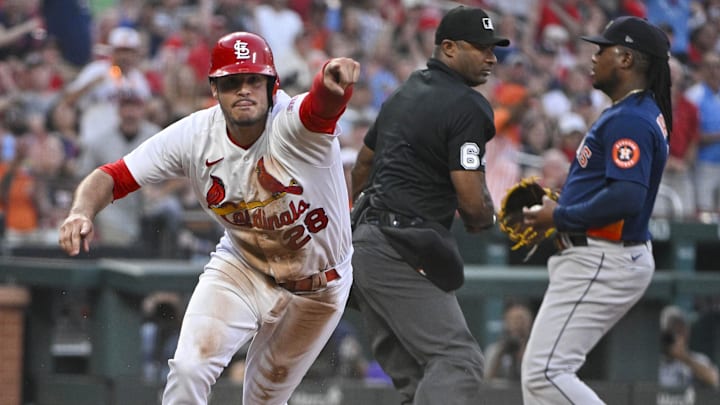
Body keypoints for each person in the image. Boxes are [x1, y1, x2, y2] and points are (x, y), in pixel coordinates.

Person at [58, 31, 359, 404]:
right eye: (232, 82)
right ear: (215, 89)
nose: (244, 90)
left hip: (318, 286)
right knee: (188, 369)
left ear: (272, 86)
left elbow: (320, 108)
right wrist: (81, 212)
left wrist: (332, 85)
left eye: (254, 80)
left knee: (263, 398)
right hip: (244, 265)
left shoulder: (293, 124)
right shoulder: (195, 135)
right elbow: (113, 176)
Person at [350, 6, 503, 404]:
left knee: (418, 382)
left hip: (365, 246)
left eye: (494, 48)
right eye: (481, 48)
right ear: (448, 48)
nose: (491, 57)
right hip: (400, 246)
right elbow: (471, 201)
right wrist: (486, 215)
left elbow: (363, 164)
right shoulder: (468, 104)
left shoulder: (404, 92)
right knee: (459, 361)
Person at [520, 16, 673, 404]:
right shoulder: (630, 110)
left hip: (604, 257)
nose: (593, 57)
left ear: (625, 59)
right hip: (600, 255)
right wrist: (564, 203)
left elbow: (626, 197)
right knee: (541, 378)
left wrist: (559, 215)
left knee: (545, 374)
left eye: (602, 50)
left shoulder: (632, 119)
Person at [658, 305, 719, 402]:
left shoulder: (697, 359)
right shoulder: (651, 362)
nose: (676, 335)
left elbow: (713, 380)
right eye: (671, 331)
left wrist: (684, 358)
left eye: (679, 329)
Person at [484, 301, 534, 381]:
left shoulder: (534, 351)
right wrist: (500, 355)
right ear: (506, 323)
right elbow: (487, 380)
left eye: (522, 320)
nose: (518, 324)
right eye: (513, 320)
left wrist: (522, 355)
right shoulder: (495, 350)